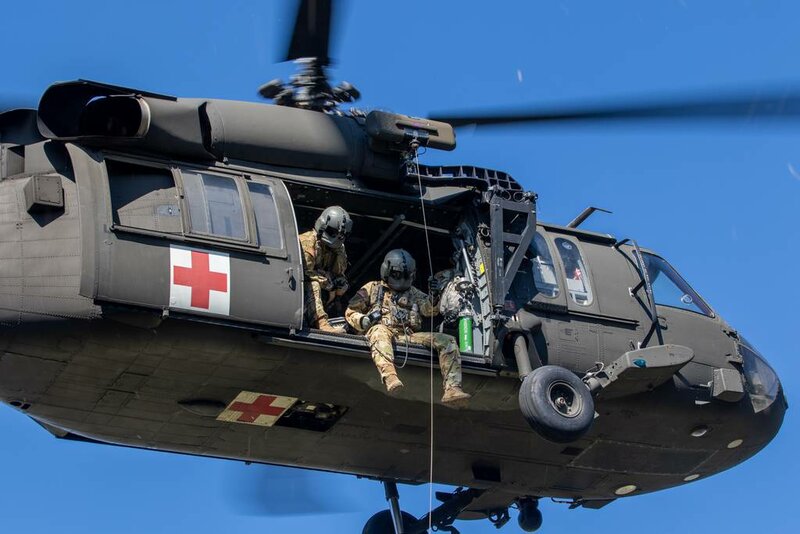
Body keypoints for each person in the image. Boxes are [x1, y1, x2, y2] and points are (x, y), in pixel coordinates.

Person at [345, 249, 471, 406]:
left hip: (407, 336)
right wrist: (365, 320)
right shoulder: (373, 288)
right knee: (378, 331)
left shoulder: (413, 293)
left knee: (447, 340)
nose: (402, 280)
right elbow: (351, 311)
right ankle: (390, 376)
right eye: (398, 275)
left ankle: (452, 388)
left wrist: (433, 296)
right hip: (383, 332)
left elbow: (428, 310)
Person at [299, 206, 352, 333]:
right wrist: (327, 283)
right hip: (301, 292)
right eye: (332, 232)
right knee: (313, 284)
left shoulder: (338, 248)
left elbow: (339, 273)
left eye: (340, 235)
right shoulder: (306, 241)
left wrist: (339, 284)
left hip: (325, 292)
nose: (336, 237)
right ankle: (321, 323)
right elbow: (305, 274)